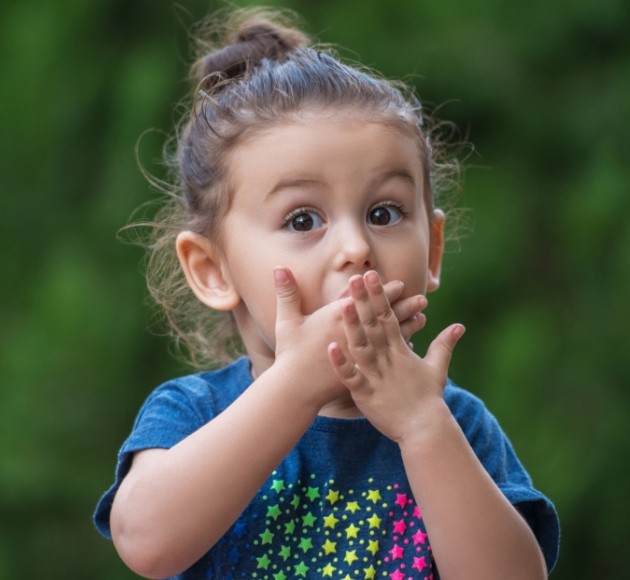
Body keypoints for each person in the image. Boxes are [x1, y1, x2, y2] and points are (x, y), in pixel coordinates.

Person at [94, 7, 560, 579]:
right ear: (214, 270)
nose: (355, 247)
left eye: (383, 212)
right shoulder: (194, 413)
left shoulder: (452, 423)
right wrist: (296, 383)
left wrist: (421, 427)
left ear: (432, 249)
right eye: (301, 219)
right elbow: (145, 542)